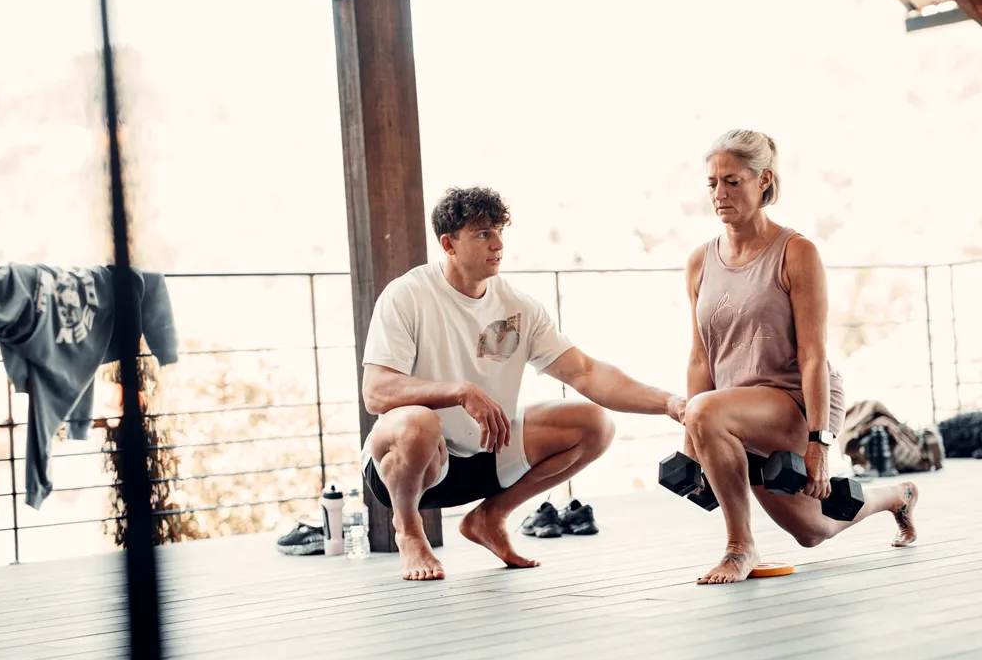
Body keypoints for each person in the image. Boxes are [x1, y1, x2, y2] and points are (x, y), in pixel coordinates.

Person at [361, 186, 686, 581]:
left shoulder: (518, 306)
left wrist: (669, 402)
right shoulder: (406, 296)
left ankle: (490, 518)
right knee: (416, 423)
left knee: (594, 424)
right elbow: (376, 392)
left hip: (486, 452)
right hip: (419, 465)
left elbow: (584, 371)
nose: (498, 244)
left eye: (499, 231)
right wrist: (460, 391)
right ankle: (410, 533)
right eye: (483, 233)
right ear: (448, 243)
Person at [683, 129, 921, 585]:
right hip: (732, 411)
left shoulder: (796, 252)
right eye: (712, 183)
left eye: (732, 181)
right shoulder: (699, 262)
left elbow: (814, 356)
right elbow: (699, 358)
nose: (720, 194)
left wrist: (819, 444)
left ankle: (739, 548)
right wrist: (692, 438)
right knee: (813, 531)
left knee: (706, 412)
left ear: (763, 180)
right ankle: (898, 496)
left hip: (795, 400)